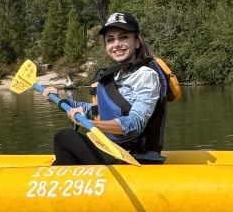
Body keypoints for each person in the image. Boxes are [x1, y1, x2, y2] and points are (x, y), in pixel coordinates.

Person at [44, 12, 180, 166]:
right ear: (106, 47)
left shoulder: (146, 75)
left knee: (65, 136)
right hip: (112, 151)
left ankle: (61, 181)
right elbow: (98, 111)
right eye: (110, 39)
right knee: (68, 143)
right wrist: (61, 101)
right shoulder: (115, 76)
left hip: (134, 158)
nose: (116, 44)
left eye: (123, 37)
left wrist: (89, 123)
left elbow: (135, 124)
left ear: (136, 42)